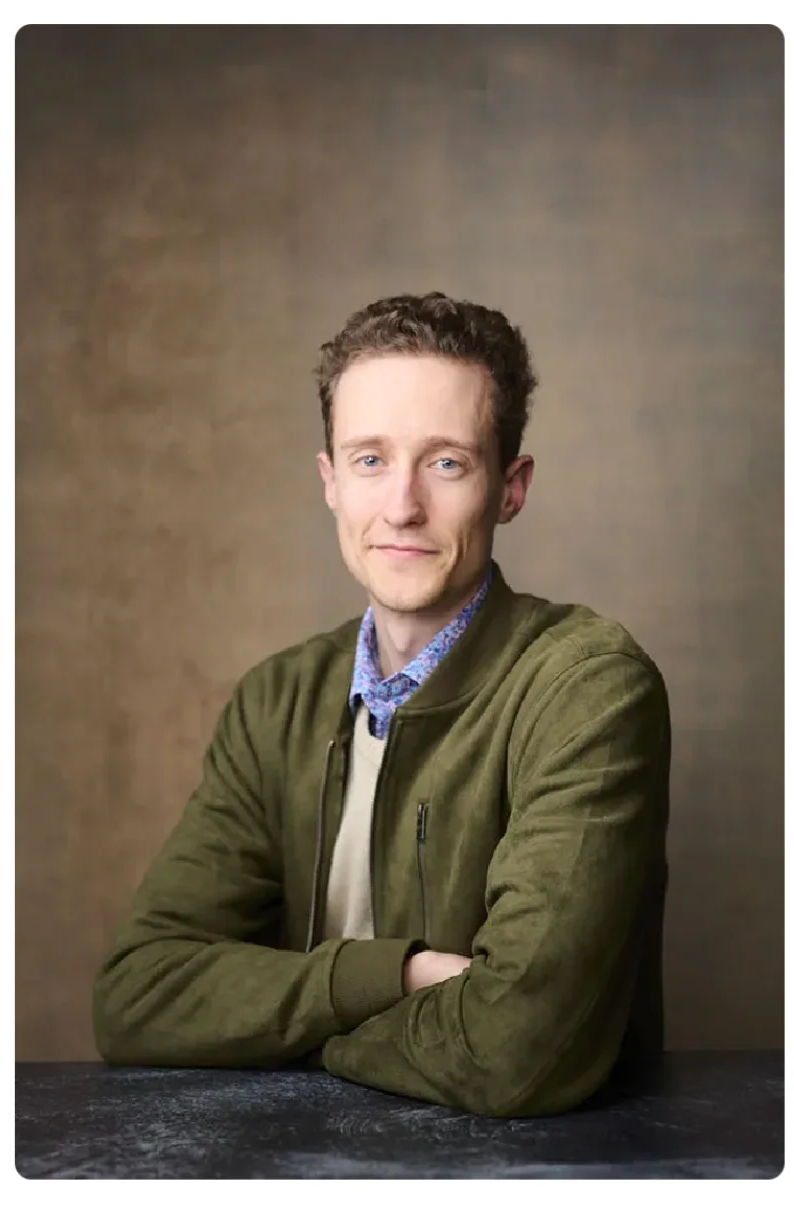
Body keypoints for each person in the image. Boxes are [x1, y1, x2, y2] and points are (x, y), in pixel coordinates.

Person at [92, 291, 671, 1118]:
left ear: (511, 488)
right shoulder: (277, 699)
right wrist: (397, 977)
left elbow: (518, 1050)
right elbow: (136, 994)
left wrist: (287, 1030)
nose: (401, 506)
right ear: (329, 481)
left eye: (445, 463)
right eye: (370, 460)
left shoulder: (588, 689)